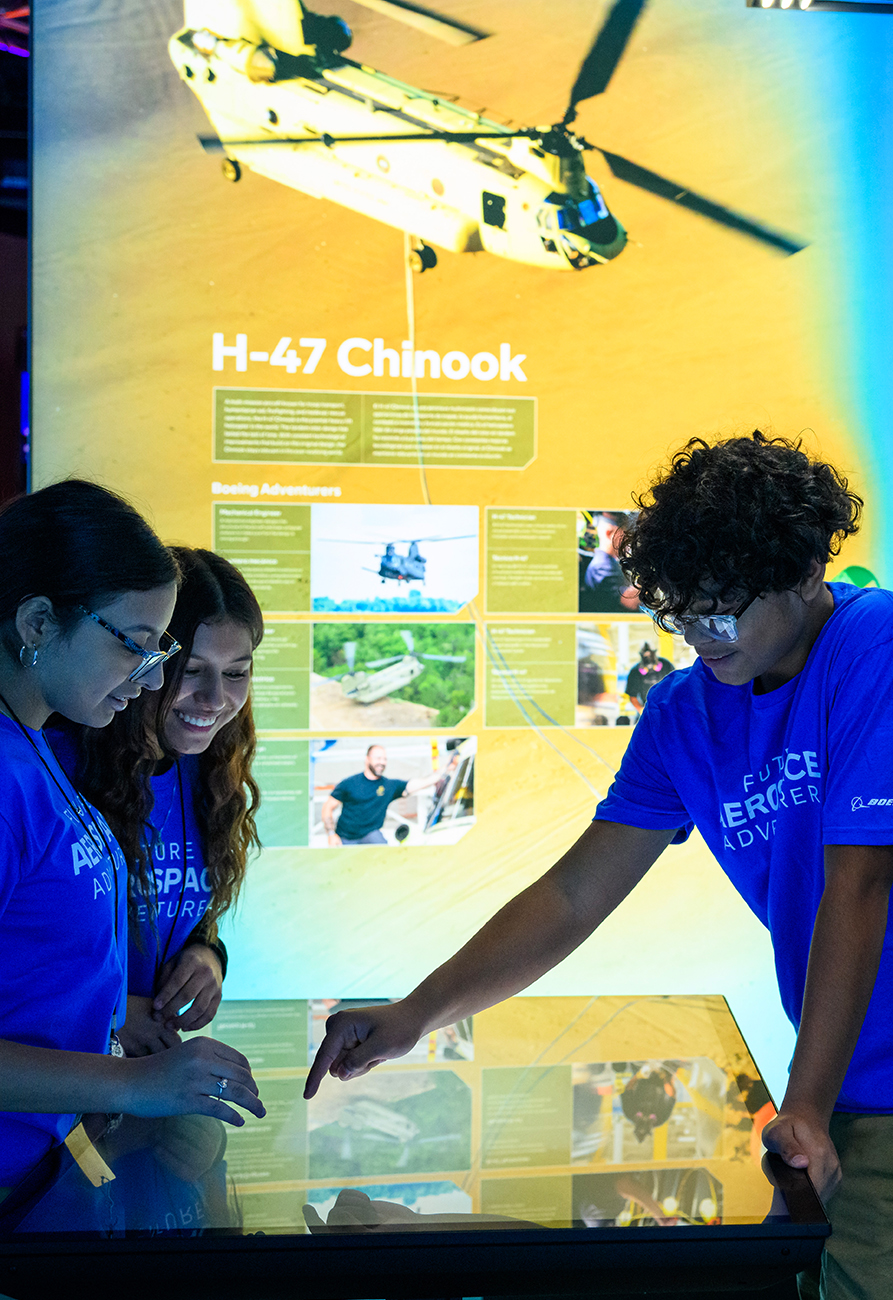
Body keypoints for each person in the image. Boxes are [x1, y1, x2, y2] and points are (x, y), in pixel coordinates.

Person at [305, 431, 892, 1300]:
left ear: (804, 572)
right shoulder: (684, 711)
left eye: (719, 612)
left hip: (845, 1091)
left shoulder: (870, 643)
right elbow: (574, 894)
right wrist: (416, 1012)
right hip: (848, 1085)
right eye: (677, 613)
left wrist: (801, 1103)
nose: (698, 636)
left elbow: (863, 880)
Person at [0, 483, 264, 1201]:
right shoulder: (23, 768)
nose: (150, 678)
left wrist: (207, 953)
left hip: (46, 1163)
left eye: (159, 652)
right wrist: (129, 1074)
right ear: (37, 623)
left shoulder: (31, 757)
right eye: (139, 649)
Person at [53, 548, 264, 1057]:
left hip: (133, 1080)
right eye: (191, 670)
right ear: (143, 661)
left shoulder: (211, 771)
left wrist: (206, 954)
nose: (215, 699)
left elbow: (183, 913)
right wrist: (111, 1021)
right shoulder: (57, 767)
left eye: (236, 673)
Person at [322, 743, 457, 845]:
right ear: (367, 759)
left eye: (385, 759)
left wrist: (447, 769)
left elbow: (420, 783)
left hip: (370, 836)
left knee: (383, 851)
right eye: (378, 758)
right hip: (345, 838)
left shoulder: (389, 786)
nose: (382, 762)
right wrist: (331, 834)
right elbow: (327, 807)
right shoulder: (349, 783)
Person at [578, 511, 639, 613]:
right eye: (625, 534)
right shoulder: (602, 567)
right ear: (609, 533)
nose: (629, 541)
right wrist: (647, 578)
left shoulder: (608, 563)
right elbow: (629, 602)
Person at [624, 642, 675, 714]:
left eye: (650, 654)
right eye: (645, 655)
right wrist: (642, 711)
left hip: (668, 705)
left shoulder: (667, 666)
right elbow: (633, 696)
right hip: (647, 707)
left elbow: (676, 686)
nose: (648, 658)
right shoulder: (635, 672)